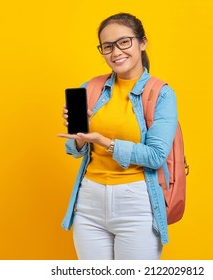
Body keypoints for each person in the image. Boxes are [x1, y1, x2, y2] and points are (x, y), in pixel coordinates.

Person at [57, 12, 178, 260]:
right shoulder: (91, 88)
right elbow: (75, 150)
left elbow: (155, 157)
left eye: (124, 42)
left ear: (142, 43)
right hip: (89, 202)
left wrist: (106, 143)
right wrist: (80, 136)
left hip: (137, 204)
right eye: (107, 46)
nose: (116, 52)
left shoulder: (161, 94)